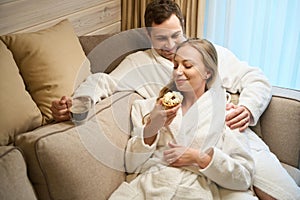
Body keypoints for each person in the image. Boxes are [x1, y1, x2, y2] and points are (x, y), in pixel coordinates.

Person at [51, 0, 300, 199]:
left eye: (176, 36)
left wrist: (247, 107)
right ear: (149, 36)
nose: (170, 46)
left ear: (184, 28)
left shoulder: (207, 53)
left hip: (232, 135)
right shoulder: (138, 64)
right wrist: (78, 103)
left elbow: (255, 77)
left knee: (279, 193)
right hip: (180, 150)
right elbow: (103, 81)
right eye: (161, 38)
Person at [109, 38, 257, 199]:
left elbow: (243, 178)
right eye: (175, 65)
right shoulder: (148, 107)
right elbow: (131, 165)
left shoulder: (226, 114)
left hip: (192, 192)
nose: (178, 72)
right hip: (146, 189)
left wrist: (200, 158)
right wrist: (152, 127)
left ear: (208, 72)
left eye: (187, 66)